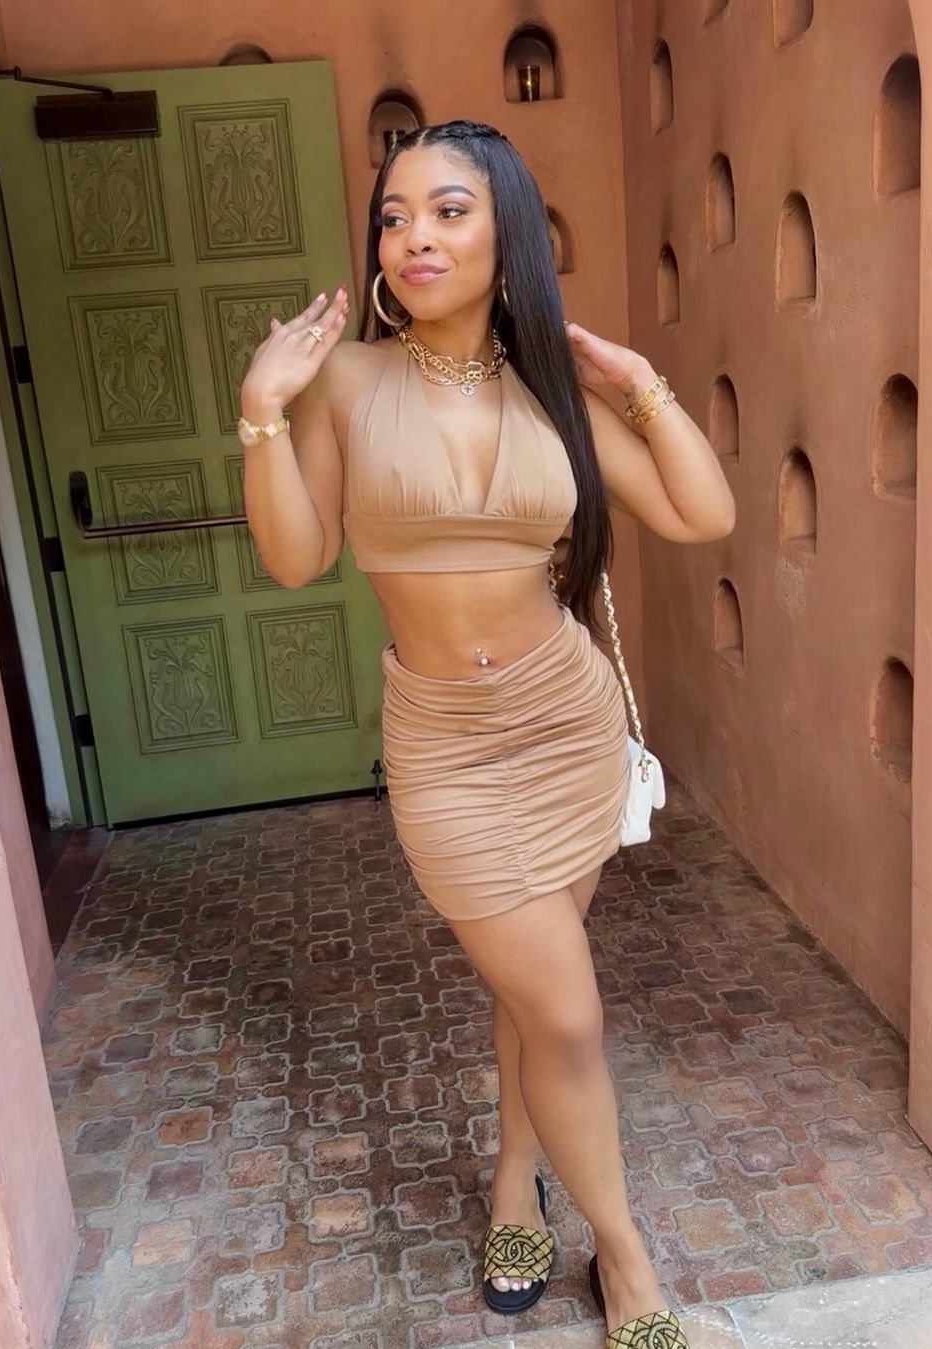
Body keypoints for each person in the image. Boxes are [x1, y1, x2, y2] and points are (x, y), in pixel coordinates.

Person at [239, 120, 734, 1349]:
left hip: (567, 723)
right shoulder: (350, 384)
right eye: (394, 215)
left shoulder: (550, 395)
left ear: (506, 228)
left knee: (535, 986)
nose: (414, 236)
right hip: (448, 750)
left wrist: (638, 381)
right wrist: (261, 413)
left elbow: (701, 510)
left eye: (448, 210)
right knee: (565, 1012)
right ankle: (629, 1262)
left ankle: (517, 1184)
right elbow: (297, 558)